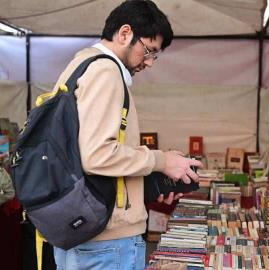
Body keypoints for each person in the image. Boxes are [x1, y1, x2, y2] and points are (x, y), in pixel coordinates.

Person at [52, 1, 202, 269]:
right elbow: (97, 155)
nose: (150, 63)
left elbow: (88, 156)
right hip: (106, 242)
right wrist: (161, 160)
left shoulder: (81, 65)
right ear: (124, 33)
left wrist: (147, 183)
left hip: (86, 232)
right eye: (148, 50)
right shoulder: (105, 72)